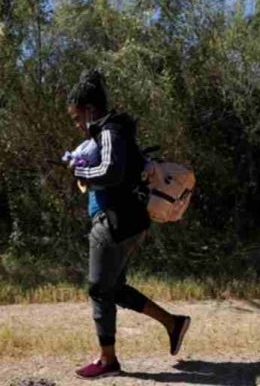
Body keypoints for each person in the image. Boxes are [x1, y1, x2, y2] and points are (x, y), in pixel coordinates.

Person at [66, 69, 191, 380]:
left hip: (115, 222)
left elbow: (111, 173)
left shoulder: (110, 132)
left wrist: (82, 175)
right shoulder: (113, 133)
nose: (78, 125)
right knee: (115, 288)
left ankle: (107, 360)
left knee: (99, 289)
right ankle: (173, 323)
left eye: (77, 117)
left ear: (90, 110)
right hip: (127, 221)